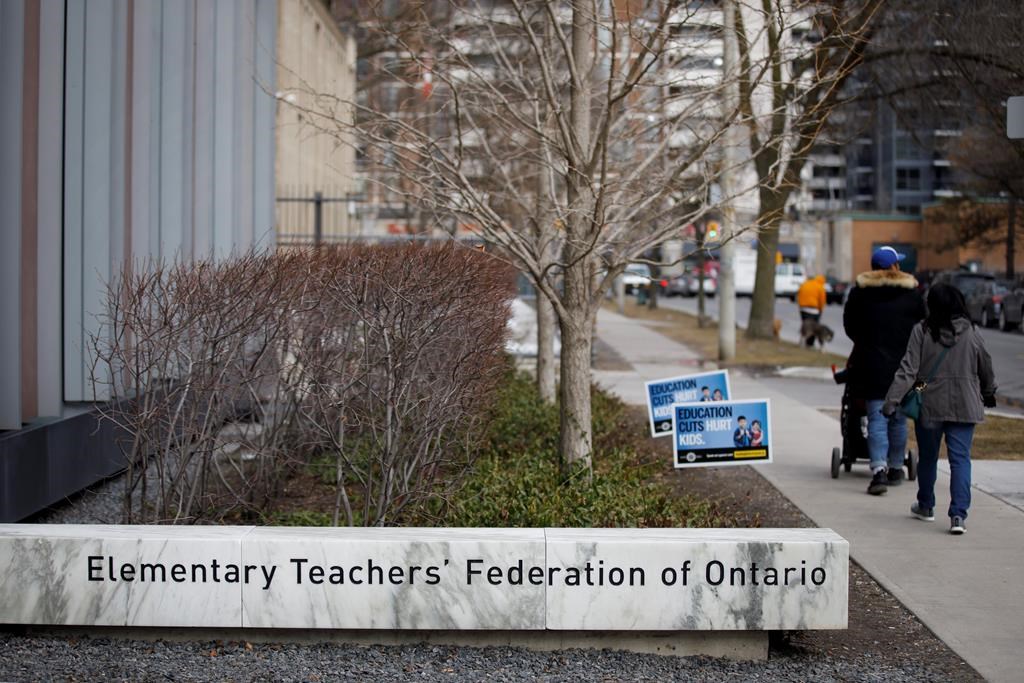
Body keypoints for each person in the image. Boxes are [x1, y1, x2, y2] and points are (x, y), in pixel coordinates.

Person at [884, 284, 996, 535]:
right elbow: (985, 365)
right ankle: (958, 515)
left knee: (928, 458)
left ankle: (926, 505)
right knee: (960, 460)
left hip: (929, 401)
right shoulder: (972, 332)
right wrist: (989, 392)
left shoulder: (922, 331)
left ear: (931, 304)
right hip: (965, 403)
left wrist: (892, 401)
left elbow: (908, 370)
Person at [843, 245, 927, 496]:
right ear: (893, 267)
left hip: (871, 365)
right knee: (899, 419)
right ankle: (895, 467)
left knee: (877, 420)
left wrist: (866, 343)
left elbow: (850, 326)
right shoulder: (912, 295)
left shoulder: (860, 293)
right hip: (904, 367)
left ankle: (878, 470)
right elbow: (922, 327)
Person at [796, 275, 827, 346]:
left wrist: (800, 305)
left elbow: (799, 294)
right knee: (814, 327)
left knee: (805, 325)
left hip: (803, 309)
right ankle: (809, 344)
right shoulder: (820, 287)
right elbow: (822, 301)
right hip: (814, 310)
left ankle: (802, 341)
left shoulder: (805, 284)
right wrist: (821, 310)